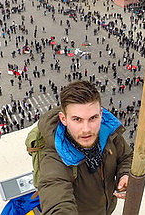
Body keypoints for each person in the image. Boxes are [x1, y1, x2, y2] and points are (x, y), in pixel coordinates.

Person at [36, 80, 133, 215]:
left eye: (93, 118)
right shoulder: (54, 158)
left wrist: (125, 174)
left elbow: (126, 156)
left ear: (101, 114)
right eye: (77, 119)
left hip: (106, 208)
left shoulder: (108, 133)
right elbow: (56, 196)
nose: (86, 129)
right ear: (63, 119)